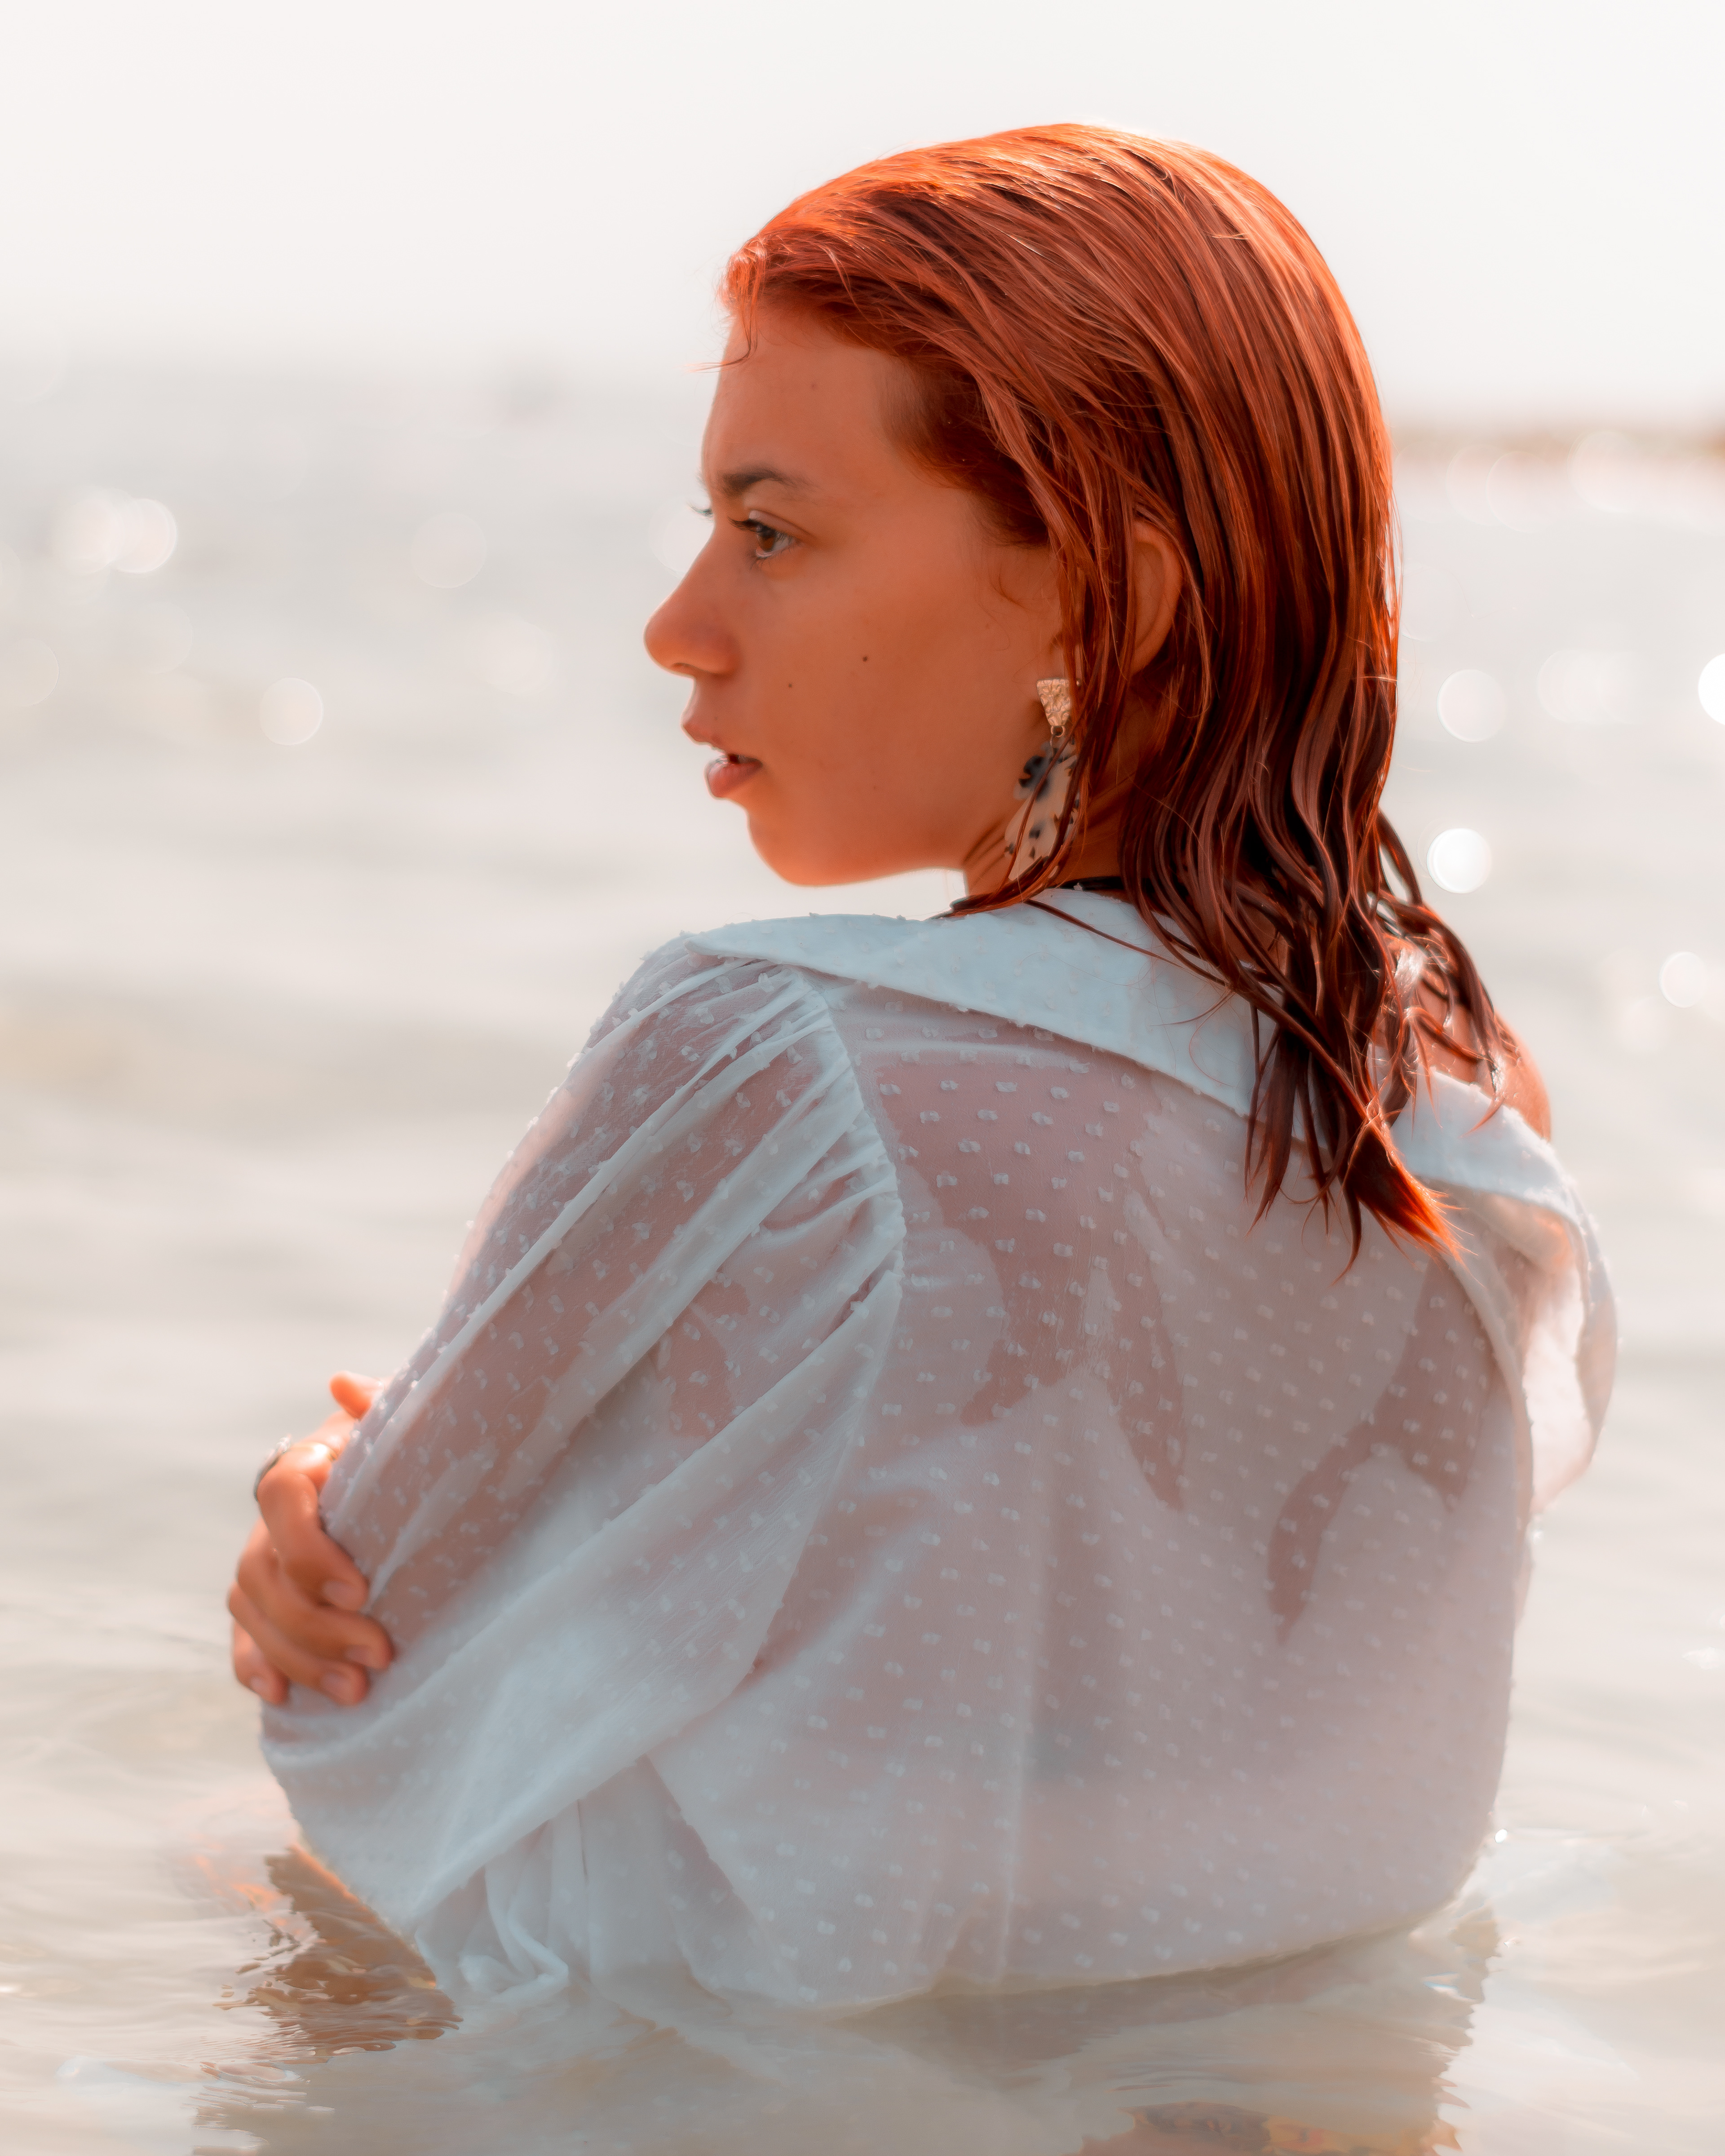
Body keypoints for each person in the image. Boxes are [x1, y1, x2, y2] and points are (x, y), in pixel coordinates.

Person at [228, 126, 1611, 2032]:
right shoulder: (1466, 1114)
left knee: (196, 1878)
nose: (680, 623)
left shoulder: (769, 1052)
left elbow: (368, 1644)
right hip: (1305, 2090)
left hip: (707, 2105)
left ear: (1100, 595)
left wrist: (310, 1496)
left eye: (771, 532)